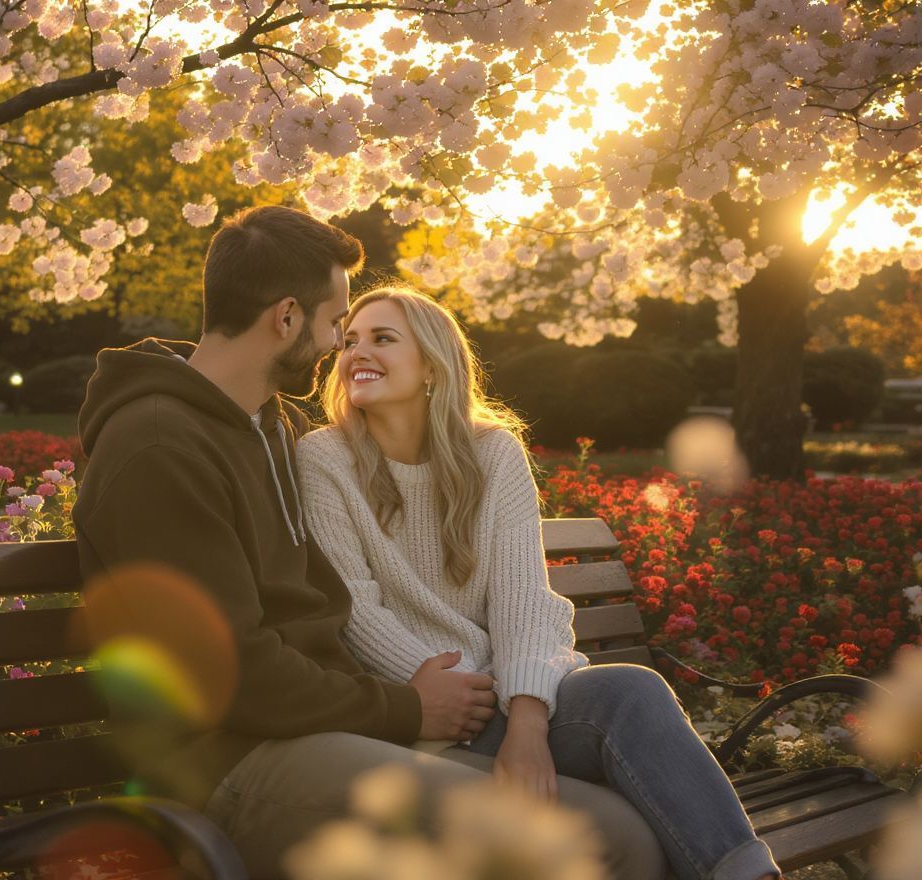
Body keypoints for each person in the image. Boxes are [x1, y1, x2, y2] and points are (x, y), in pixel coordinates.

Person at [74, 206, 665, 878]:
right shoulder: (157, 448)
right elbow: (226, 671)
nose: (338, 346)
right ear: (287, 318)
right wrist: (408, 706)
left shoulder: (273, 428)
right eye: (335, 324)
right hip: (232, 765)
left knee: (622, 826)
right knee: (598, 843)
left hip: (328, 730)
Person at [296, 285, 783, 880]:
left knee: (632, 690)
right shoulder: (324, 459)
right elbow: (354, 606)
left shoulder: (492, 453)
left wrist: (526, 718)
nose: (355, 353)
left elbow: (524, 600)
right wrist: (442, 697)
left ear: (431, 364)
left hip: (509, 698)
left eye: (382, 338)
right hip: (421, 711)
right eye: (348, 341)